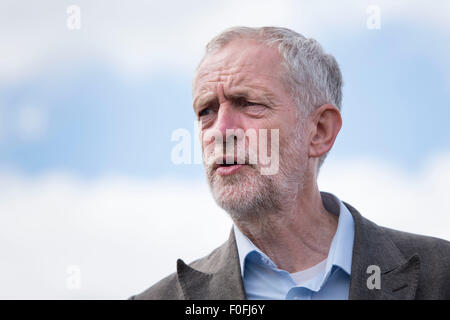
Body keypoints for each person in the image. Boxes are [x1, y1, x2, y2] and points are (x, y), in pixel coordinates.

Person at [130, 26, 450, 300]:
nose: (220, 131)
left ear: (319, 131)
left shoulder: (442, 274)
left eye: (248, 103)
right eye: (206, 111)